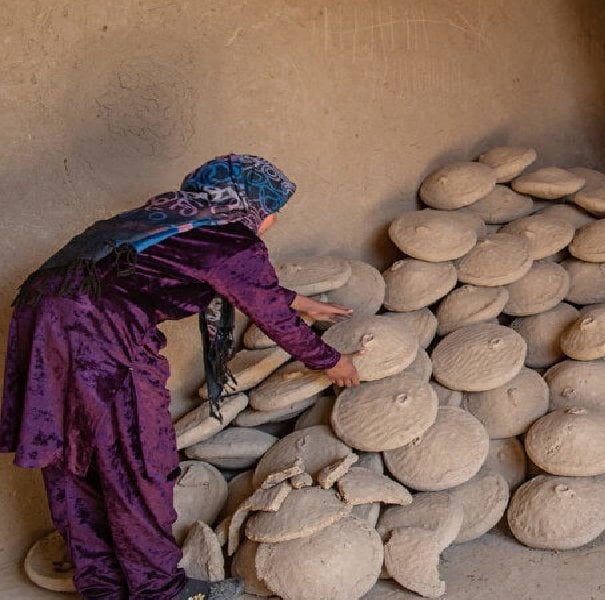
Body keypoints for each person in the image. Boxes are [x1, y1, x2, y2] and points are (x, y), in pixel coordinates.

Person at [1, 154, 360, 599]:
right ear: (249, 204)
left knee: (73, 456)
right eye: (270, 213)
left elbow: (210, 275)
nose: (268, 224)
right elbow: (269, 314)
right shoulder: (229, 238)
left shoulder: (172, 218)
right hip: (100, 336)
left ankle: (103, 586)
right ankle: (160, 591)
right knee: (138, 460)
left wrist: (298, 301)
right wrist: (331, 361)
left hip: (43, 327)